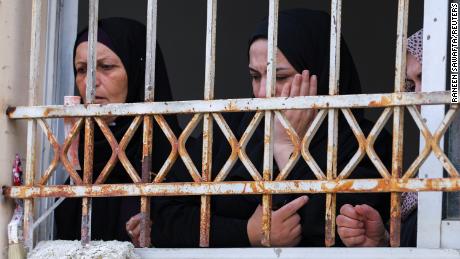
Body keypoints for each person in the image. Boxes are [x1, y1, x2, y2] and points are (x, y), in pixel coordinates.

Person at [145, 9, 391, 248]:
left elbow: (347, 233)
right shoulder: (228, 131)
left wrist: (284, 149)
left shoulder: (365, 142)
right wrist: (246, 233)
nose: (262, 92)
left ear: (323, 73)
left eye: (280, 77)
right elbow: (160, 218)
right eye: (255, 76)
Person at [54, 17, 181, 246]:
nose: (91, 83)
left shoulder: (178, 161)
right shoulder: (78, 163)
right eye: (82, 70)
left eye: (106, 67)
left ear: (138, 70)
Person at [336, 29, 423, 247]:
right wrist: (383, 242)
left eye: (425, 76)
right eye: (411, 85)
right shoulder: (431, 167)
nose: (419, 96)